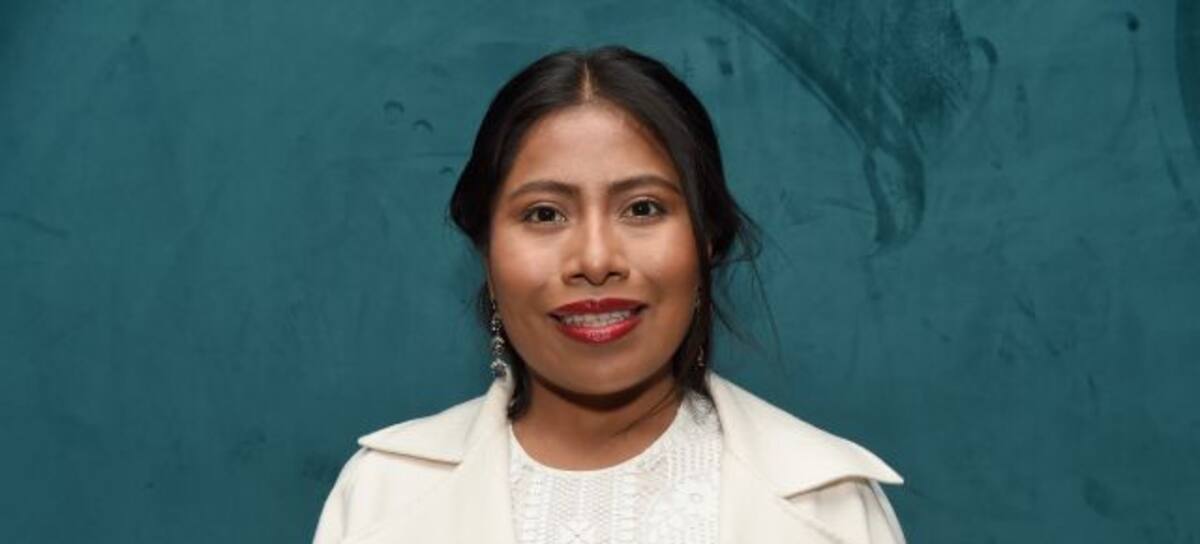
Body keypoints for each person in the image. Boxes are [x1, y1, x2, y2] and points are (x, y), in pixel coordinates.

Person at [312, 45, 905, 544]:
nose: (595, 261)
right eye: (544, 214)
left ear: (707, 241)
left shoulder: (832, 506)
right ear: (486, 252)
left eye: (642, 208)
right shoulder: (381, 497)